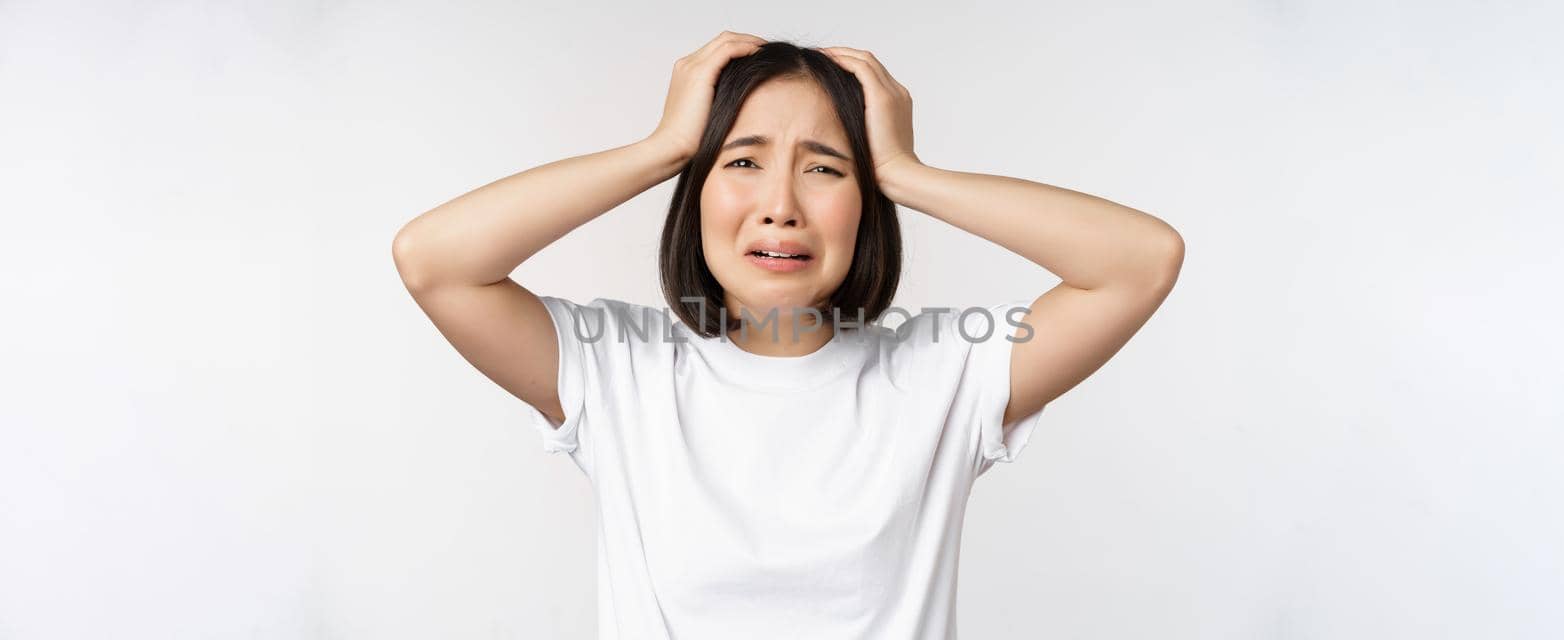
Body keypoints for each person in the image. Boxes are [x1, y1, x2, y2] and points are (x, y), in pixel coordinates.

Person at [392, 31, 1183, 640]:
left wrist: (906, 172)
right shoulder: (620, 373)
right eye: (742, 161)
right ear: (693, 193)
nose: (780, 205)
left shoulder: (946, 374)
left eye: (826, 168)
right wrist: (661, 147)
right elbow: (435, 262)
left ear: (867, 203)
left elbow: (1140, 262)